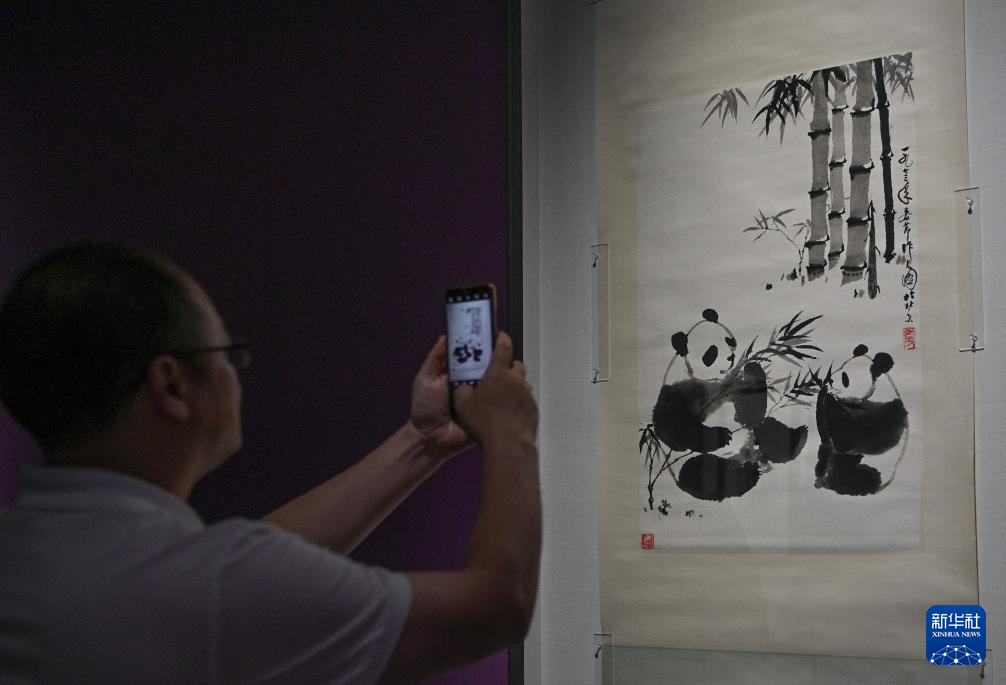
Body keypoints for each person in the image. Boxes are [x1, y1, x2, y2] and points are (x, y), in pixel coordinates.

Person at [0, 242, 541, 684]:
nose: (237, 374)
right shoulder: (211, 592)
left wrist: (422, 442)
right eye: (226, 353)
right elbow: (496, 608)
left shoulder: (34, 552)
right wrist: (511, 433)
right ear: (171, 385)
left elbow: (249, 566)